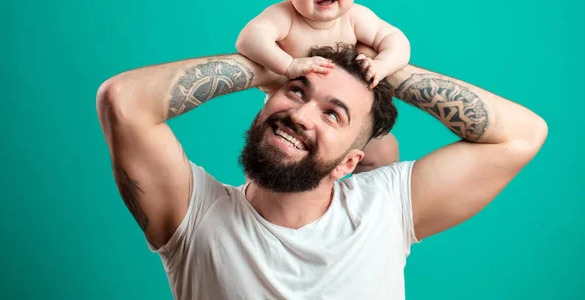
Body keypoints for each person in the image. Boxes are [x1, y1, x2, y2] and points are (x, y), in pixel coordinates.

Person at [96, 43, 547, 299]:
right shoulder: (192, 216)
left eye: (333, 114)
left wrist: (387, 69)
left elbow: (523, 135)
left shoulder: (387, 208)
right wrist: (266, 64)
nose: (302, 115)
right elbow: (123, 101)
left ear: (350, 164)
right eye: (295, 92)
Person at [236, 0, 409, 172]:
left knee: (385, 150)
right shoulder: (285, 17)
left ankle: (355, 205)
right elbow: (248, 38)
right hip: (291, 122)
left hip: (339, 118)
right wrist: (289, 65)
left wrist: (381, 65)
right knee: (274, 162)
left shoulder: (355, 17)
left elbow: (397, 41)